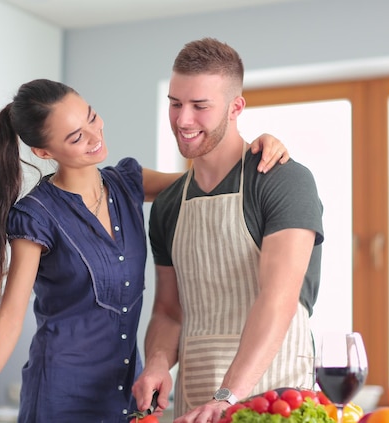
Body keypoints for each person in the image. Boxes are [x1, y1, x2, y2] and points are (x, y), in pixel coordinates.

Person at [0, 78, 289, 422]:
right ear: (44, 152)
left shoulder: (127, 183)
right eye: (76, 137)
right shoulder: (36, 215)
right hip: (60, 396)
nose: (95, 136)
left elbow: (212, 180)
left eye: (91, 118)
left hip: (128, 394)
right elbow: (11, 315)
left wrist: (255, 149)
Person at [131, 38, 324, 423]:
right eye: (175, 103)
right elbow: (169, 312)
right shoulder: (169, 204)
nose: (183, 120)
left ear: (236, 107)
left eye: (200, 106)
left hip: (277, 399)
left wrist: (227, 396)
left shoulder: (283, 181)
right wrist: (155, 364)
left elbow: (278, 299)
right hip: (197, 403)